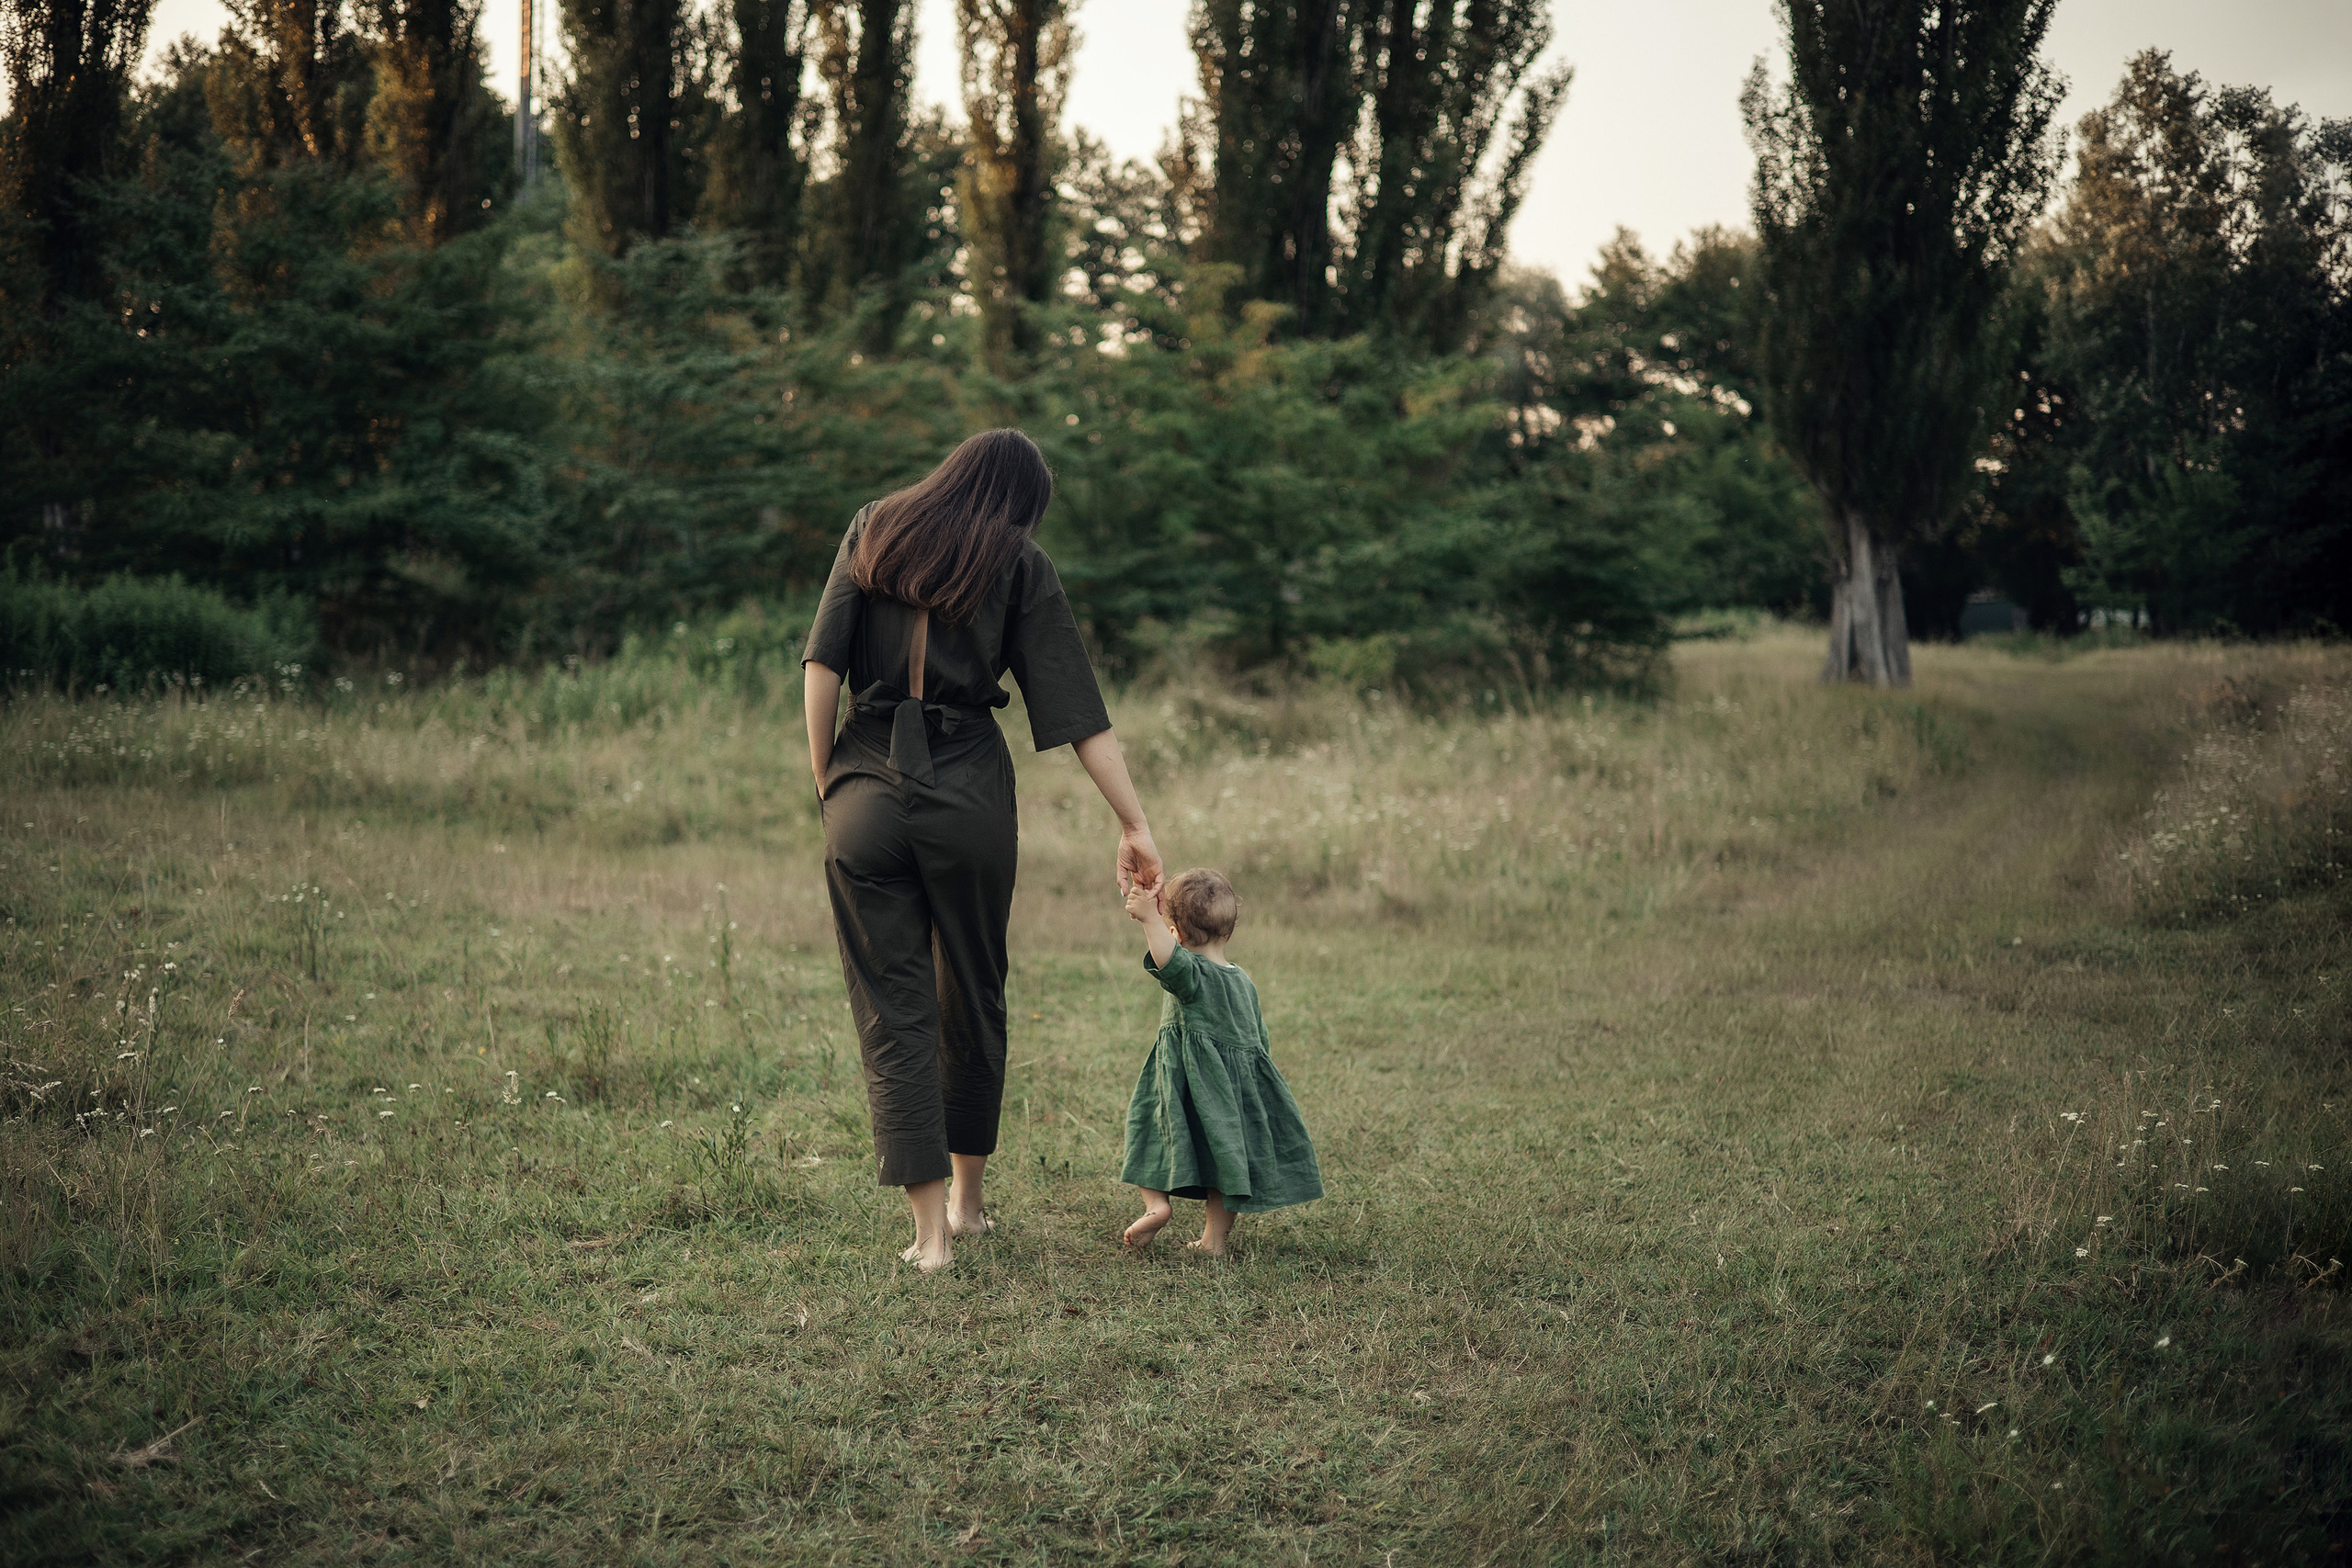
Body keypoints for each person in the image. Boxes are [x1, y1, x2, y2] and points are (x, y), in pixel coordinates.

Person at [801, 428, 1162, 1272]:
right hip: (967, 791)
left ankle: (927, 1241)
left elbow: (822, 668)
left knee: (894, 1006)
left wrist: (830, 781)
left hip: (865, 786)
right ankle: (968, 1204)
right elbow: (1079, 715)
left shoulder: (874, 527)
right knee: (973, 988)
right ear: (1020, 503)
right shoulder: (1020, 564)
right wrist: (1134, 823)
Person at [1118, 868, 1322, 1256]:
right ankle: (1214, 1242)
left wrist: (1148, 918)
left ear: (1175, 931)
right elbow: (1260, 1039)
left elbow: (1168, 960)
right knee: (1225, 1162)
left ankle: (1157, 1206)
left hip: (1182, 1083)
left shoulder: (1190, 975)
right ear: (1228, 929)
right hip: (1231, 1095)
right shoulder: (1242, 979)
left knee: (1149, 1135)